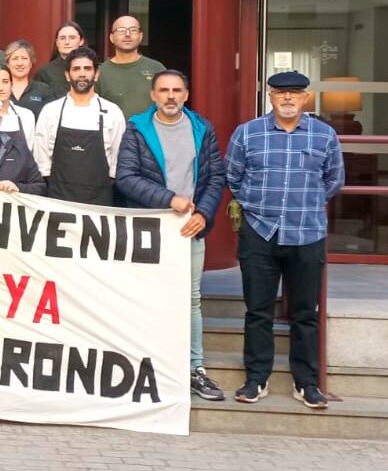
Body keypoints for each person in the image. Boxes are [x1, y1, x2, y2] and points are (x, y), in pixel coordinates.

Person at [225, 71, 345, 409]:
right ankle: (256, 378)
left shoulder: (324, 135)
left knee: (305, 312)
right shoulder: (248, 133)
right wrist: (255, 207)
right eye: (281, 93)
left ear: (306, 98)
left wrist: (304, 203)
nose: (288, 99)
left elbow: (334, 179)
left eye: (295, 93)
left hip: (307, 233)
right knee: (258, 310)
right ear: (270, 96)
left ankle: (306, 383)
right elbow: (232, 176)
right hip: (260, 232)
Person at [115, 71, 228, 402]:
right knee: (144, 296)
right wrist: (169, 200)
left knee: (190, 300)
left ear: (187, 94)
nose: (170, 96)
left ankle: (195, 369)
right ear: (152, 95)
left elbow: (215, 177)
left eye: (177, 90)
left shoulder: (202, 128)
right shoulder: (137, 127)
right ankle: (144, 366)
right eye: (163, 90)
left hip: (188, 229)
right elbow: (126, 176)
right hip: (149, 227)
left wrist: (203, 214)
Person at [32, 47, 126, 205]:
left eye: (87, 69)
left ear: (96, 74)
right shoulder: (51, 111)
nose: (82, 74)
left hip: (99, 199)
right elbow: (42, 160)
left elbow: (117, 161)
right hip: (57, 198)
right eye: (76, 69)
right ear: (67, 75)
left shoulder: (112, 112)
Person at [98, 15, 165, 119]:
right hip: (114, 134)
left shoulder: (156, 68)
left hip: (149, 133)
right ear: (111, 37)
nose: (127, 34)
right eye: (121, 30)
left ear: (141, 36)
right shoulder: (100, 72)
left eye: (133, 30)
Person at [5, 39, 54, 119]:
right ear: (7, 63)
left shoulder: (44, 90)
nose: (20, 63)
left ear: (31, 63)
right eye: (15, 58)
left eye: (24, 58)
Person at [33, 20, 86, 91]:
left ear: (81, 41)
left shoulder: (91, 69)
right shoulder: (44, 73)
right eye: (62, 38)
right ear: (57, 42)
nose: (67, 42)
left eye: (72, 38)